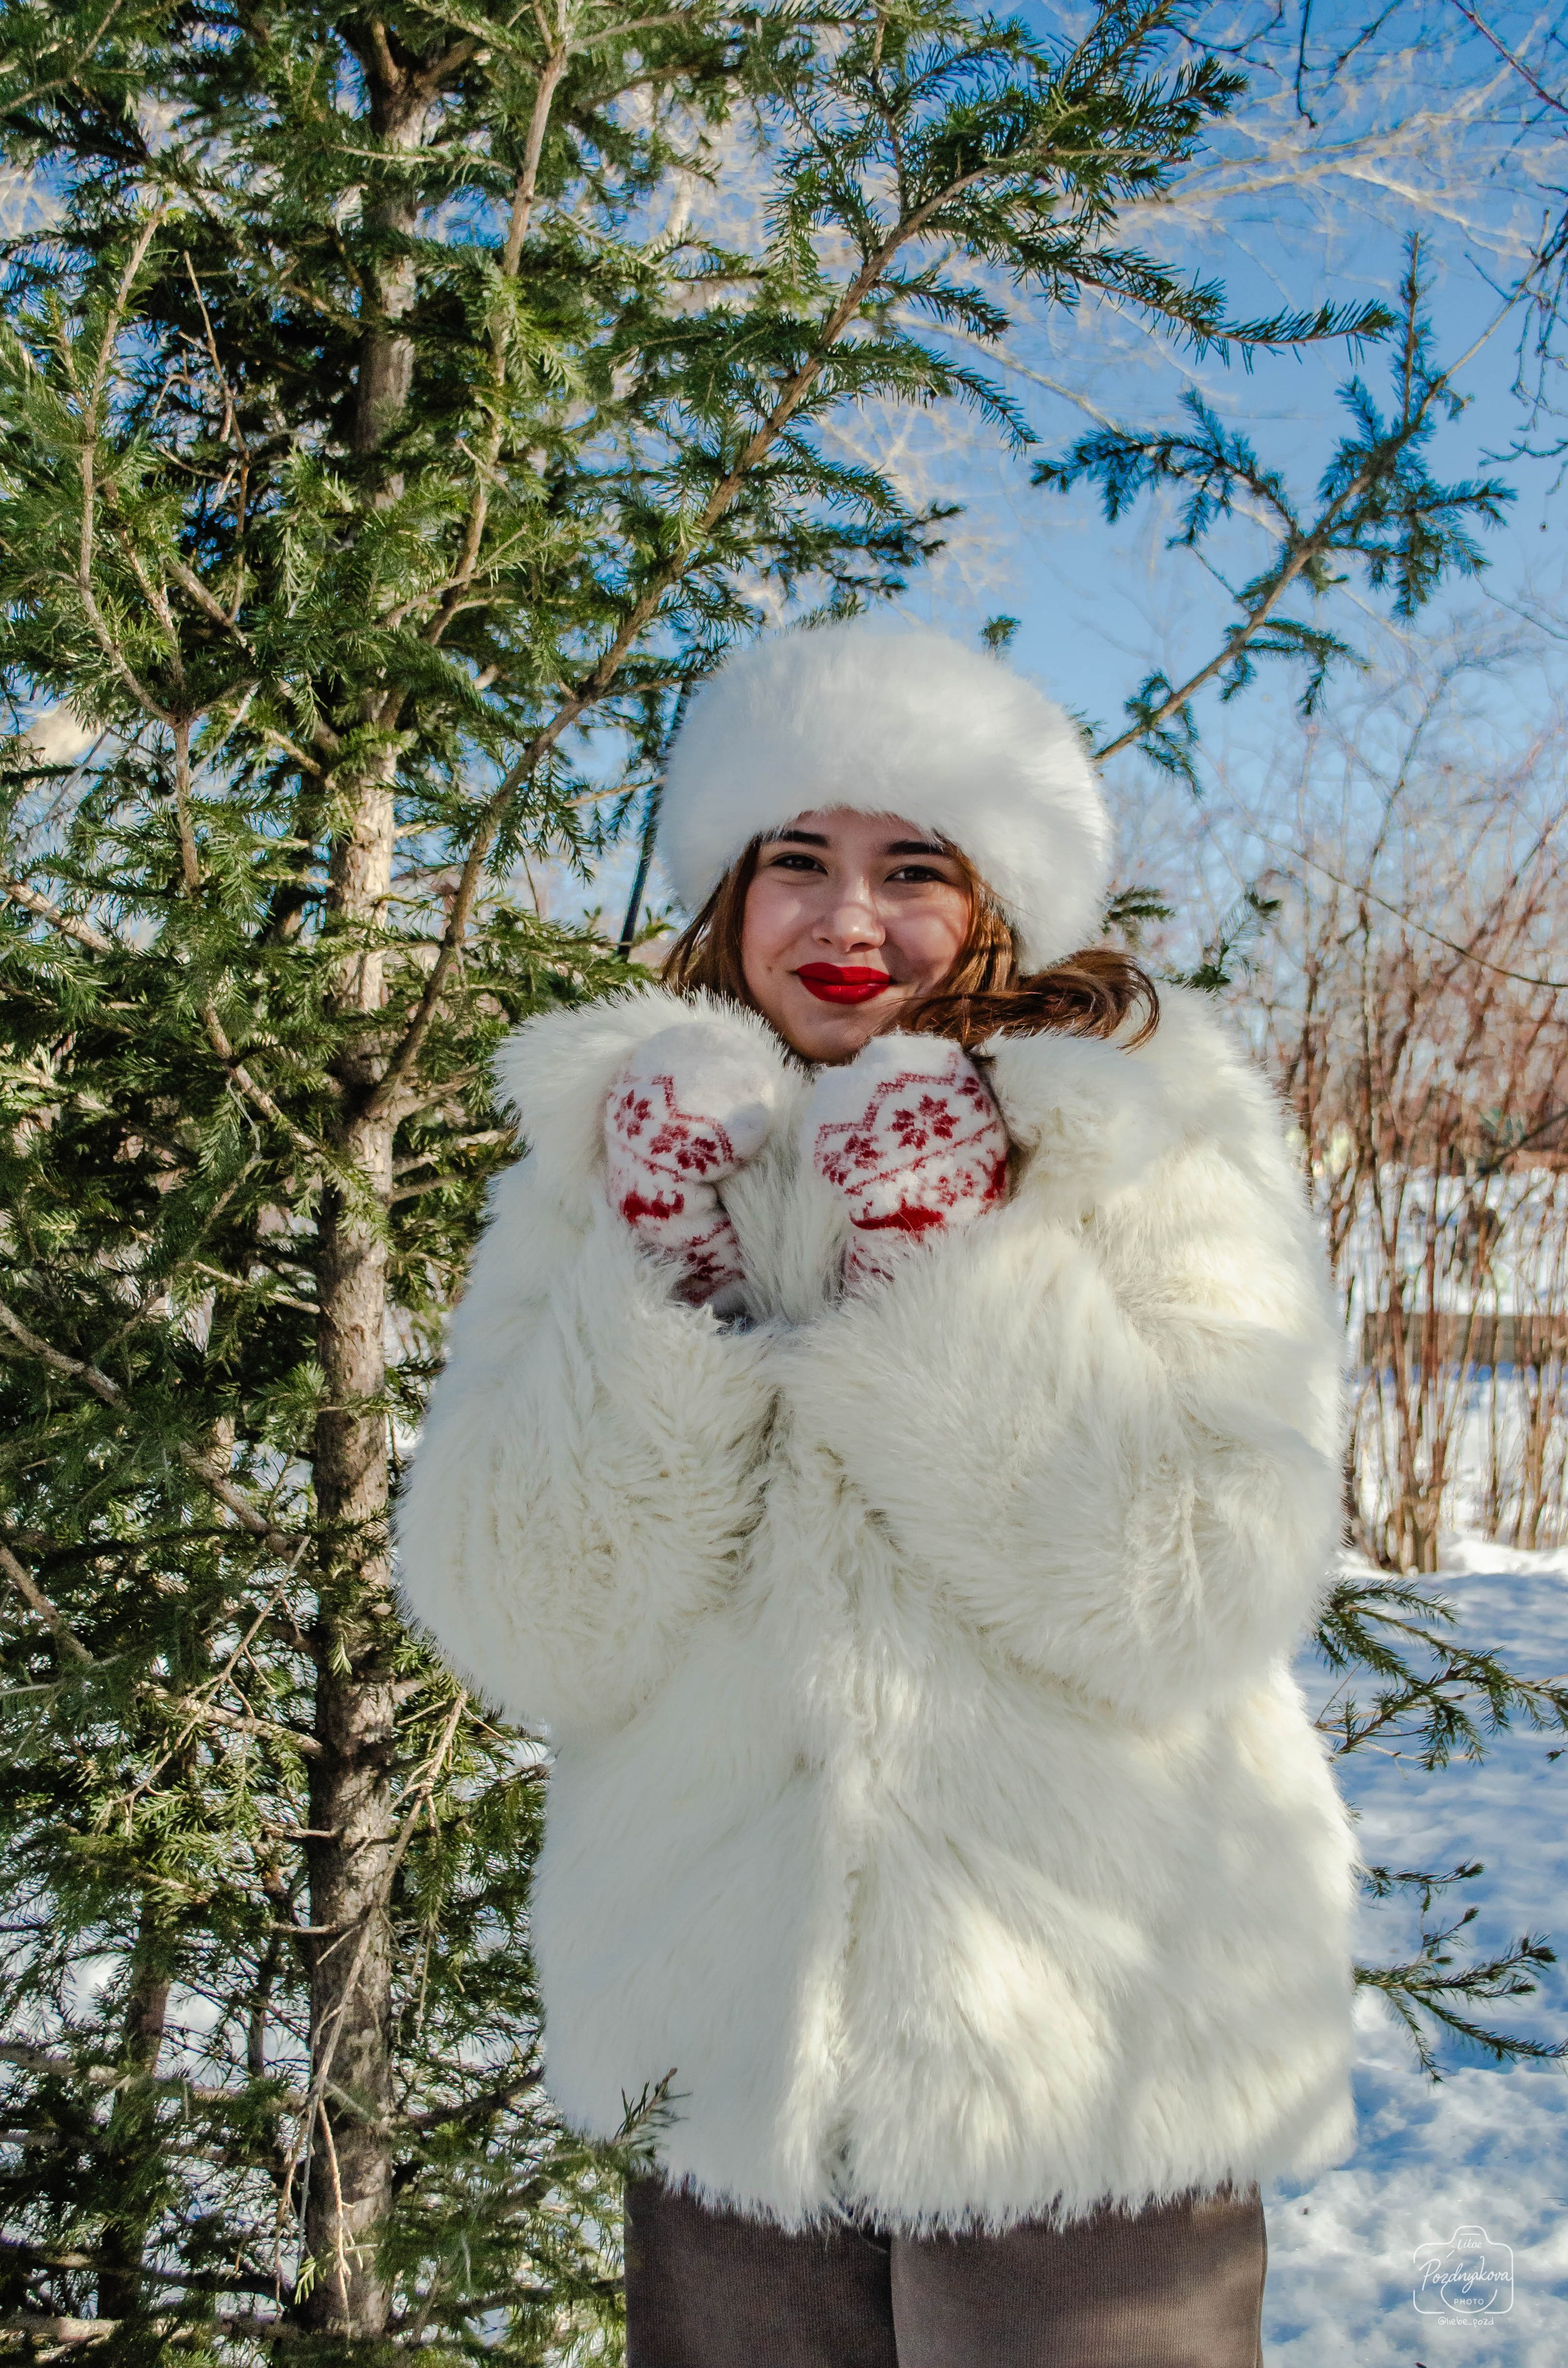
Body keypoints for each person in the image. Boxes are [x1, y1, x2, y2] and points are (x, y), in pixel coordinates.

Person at [396, 622, 1356, 2368]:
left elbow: (1206, 1585)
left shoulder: (1149, 1130)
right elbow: (529, 1616)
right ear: (726, 892)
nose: (849, 922)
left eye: (914, 866)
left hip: (1098, 2052)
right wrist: (655, 1279)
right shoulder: (611, 1157)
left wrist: (954, 1270)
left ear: (996, 900)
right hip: (737, 2059)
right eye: (799, 863)